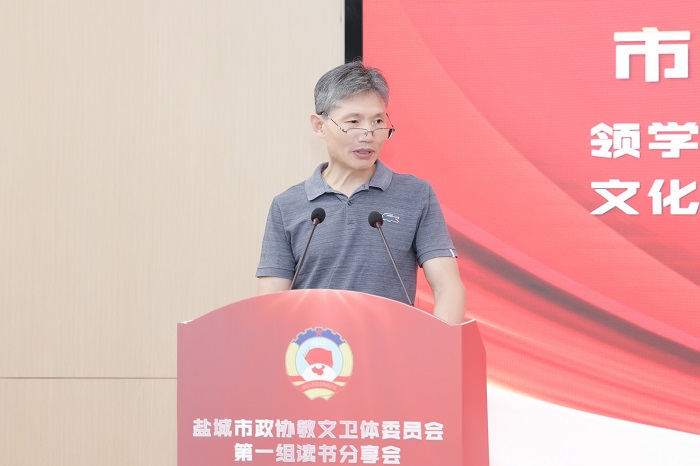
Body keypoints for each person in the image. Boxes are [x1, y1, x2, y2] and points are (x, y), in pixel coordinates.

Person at [256, 61, 465, 324]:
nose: (368, 134)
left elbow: (447, 287)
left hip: (392, 346)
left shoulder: (416, 195)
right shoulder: (287, 205)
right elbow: (271, 302)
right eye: (353, 122)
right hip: (316, 346)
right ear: (319, 126)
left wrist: (439, 342)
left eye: (378, 121)